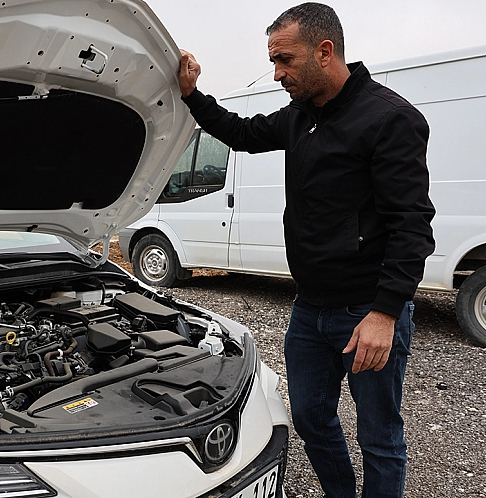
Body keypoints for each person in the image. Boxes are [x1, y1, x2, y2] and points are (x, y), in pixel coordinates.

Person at [177, 3, 435, 498]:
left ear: (324, 50)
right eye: (274, 61)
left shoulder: (390, 119)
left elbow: (412, 225)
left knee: (379, 437)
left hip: (366, 311)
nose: (277, 74)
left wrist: (385, 313)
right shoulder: (301, 116)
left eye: (285, 60)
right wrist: (192, 96)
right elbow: (242, 133)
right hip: (310, 308)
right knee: (312, 421)